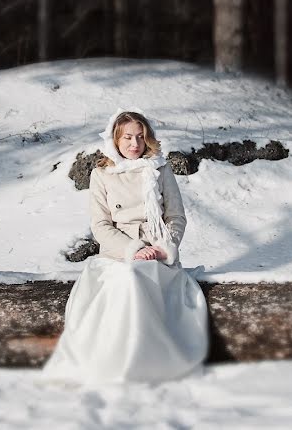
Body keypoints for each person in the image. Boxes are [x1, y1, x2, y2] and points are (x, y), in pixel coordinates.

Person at [43, 109, 209, 384]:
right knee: (129, 277)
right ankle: (119, 365)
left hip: (159, 252)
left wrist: (165, 247)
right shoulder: (102, 174)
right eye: (128, 138)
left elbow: (176, 217)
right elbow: (101, 226)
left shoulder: (160, 168)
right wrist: (133, 248)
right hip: (118, 254)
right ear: (115, 140)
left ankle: (153, 364)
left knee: (143, 275)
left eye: (140, 138)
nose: (135, 144)